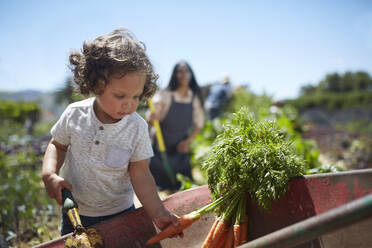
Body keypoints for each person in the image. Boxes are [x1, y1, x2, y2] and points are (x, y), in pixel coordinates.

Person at [41, 28, 181, 236]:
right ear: (97, 85)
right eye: (120, 96)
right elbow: (57, 145)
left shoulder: (136, 127)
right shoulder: (75, 114)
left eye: (136, 97)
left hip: (121, 213)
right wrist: (49, 173)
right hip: (76, 213)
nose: (129, 105)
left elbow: (141, 174)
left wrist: (158, 212)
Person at [147, 61, 204, 191]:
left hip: (181, 147)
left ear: (191, 75)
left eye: (186, 71)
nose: (183, 74)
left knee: (183, 184)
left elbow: (198, 124)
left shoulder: (193, 98)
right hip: (162, 146)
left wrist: (187, 142)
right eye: (180, 71)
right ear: (174, 74)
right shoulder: (165, 95)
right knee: (160, 186)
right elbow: (152, 117)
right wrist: (152, 118)